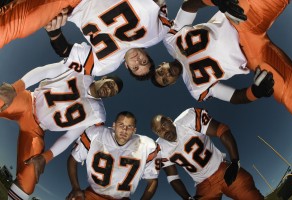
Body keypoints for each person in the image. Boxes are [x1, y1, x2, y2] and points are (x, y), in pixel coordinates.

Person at [0, 0, 246, 79]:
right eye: (145, 62)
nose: (138, 61)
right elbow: (179, 5)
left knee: (13, 25)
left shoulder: (106, 64)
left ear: (127, 67)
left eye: (136, 67)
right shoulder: (158, 33)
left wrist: (54, 32)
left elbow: (65, 51)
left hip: (72, 4)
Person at [0, 42, 123, 199]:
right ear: (104, 77)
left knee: (31, 174)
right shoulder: (82, 68)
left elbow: (69, 136)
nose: (110, 90)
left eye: (113, 92)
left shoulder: (98, 114)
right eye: (111, 84)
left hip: (37, 129)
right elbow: (46, 71)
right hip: (28, 101)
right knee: (2, 100)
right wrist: (15, 87)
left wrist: (46, 157)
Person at [152, 0, 292, 121]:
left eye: (161, 72)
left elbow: (188, 6)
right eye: (165, 80)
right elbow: (234, 97)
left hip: (238, 18)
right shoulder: (196, 90)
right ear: (172, 83)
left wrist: (212, 0)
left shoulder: (170, 40)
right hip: (253, 55)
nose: (166, 75)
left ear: (161, 64)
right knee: (290, 96)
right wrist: (254, 92)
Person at [151, 108, 264, 200]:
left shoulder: (187, 119)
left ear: (170, 120)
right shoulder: (160, 149)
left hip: (222, 169)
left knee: (250, 196)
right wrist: (187, 198)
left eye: (164, 125)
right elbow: (173, 177)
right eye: (159, 131)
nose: (164, 131)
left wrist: (235, 162)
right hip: (203, 185)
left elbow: (221, 130)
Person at [66, 111, 160, 200]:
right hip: (93, 195)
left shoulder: (147, 146)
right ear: (114, 125)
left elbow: (153, 180)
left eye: (129, 126)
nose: (124, 129)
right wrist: (75, 188)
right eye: (121, 125)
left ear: (134, 130)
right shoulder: (96, 134)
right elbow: (73, 159)